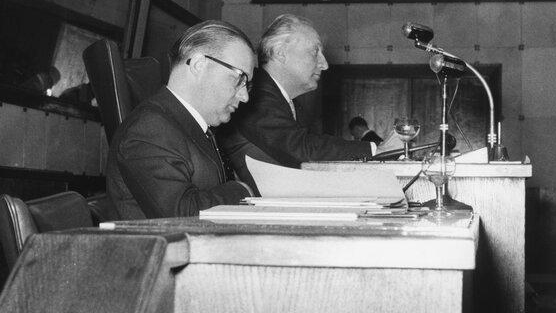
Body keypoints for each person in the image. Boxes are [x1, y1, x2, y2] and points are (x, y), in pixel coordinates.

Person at [217, 15, 400, 192]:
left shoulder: (286, 102)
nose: (324, 64)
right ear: (281, 54)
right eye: (315, 52)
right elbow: (304, 151)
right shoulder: (255, 94)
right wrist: (377, 149)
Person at [106, 21, 255, 219]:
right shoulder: (150, 129)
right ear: (198, 65)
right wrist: (241, 190)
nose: (244, 96)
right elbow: (183, 215)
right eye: (240, 79)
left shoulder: (183, 125)